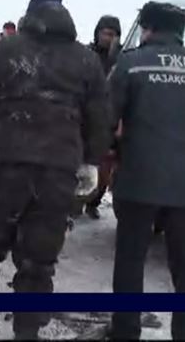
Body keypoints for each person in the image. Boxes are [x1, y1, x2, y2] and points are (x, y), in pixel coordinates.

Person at [0, 0, 111, 340]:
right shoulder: (85, 60)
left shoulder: (2, 52)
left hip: (5, 160)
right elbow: (99, 115)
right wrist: (91, 161)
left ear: (30, 12)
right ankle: (27, 328)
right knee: (39, 254)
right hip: (58, 167)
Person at [107, 1, 185, 341]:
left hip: (138, 181)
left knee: (130, 261)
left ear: (147, 29)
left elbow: (106, 119)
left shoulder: (130, 64)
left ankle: (126, 331)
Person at [82, 14, 123, 219]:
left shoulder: (122, 59)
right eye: (105, 33)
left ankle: (93, 202)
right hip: (87, 118)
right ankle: (76, 202)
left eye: (113, 35)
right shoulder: (86, 55)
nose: (108, 38)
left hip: (110, 121)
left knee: (105, 170)